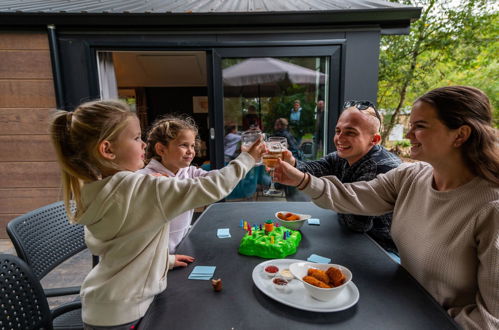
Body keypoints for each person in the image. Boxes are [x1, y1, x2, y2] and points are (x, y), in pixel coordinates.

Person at [274, 86, 499, 329]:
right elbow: (354, 196)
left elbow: (489, 320)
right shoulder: (410, 176)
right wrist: (300, 179)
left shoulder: (491, 207)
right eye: (411, 125)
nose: (409, 134)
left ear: (460, 135)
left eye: (420, 126)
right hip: (399, 302)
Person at [50, 100, 264, 328]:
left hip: (103, 304)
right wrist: (248, 159)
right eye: (135, 138)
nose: (144, 145)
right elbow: (211, 187)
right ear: (107, 149)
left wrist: (165, 260)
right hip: (127, 312)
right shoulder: (141, 186)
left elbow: (128, 245)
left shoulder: (97, 188)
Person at [283, 100, 401, 254]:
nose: (340, 138)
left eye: (350, 132)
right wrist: (291, 163)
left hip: (383, 252)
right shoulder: (344, 155)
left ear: (374, 140)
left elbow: (357, 224)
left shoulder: (381, 168)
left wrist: (322, 189)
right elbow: (315, 168)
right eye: (338, 131)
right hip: (354, 242)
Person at [137, 115, 216, 253]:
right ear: (161, 149)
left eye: (192, 145)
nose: (191, 151)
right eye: (184, 145)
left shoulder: (189, 172)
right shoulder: (145, 178)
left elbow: (218, 179)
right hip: (157, 258)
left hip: (182, 248)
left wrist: (246, 162)